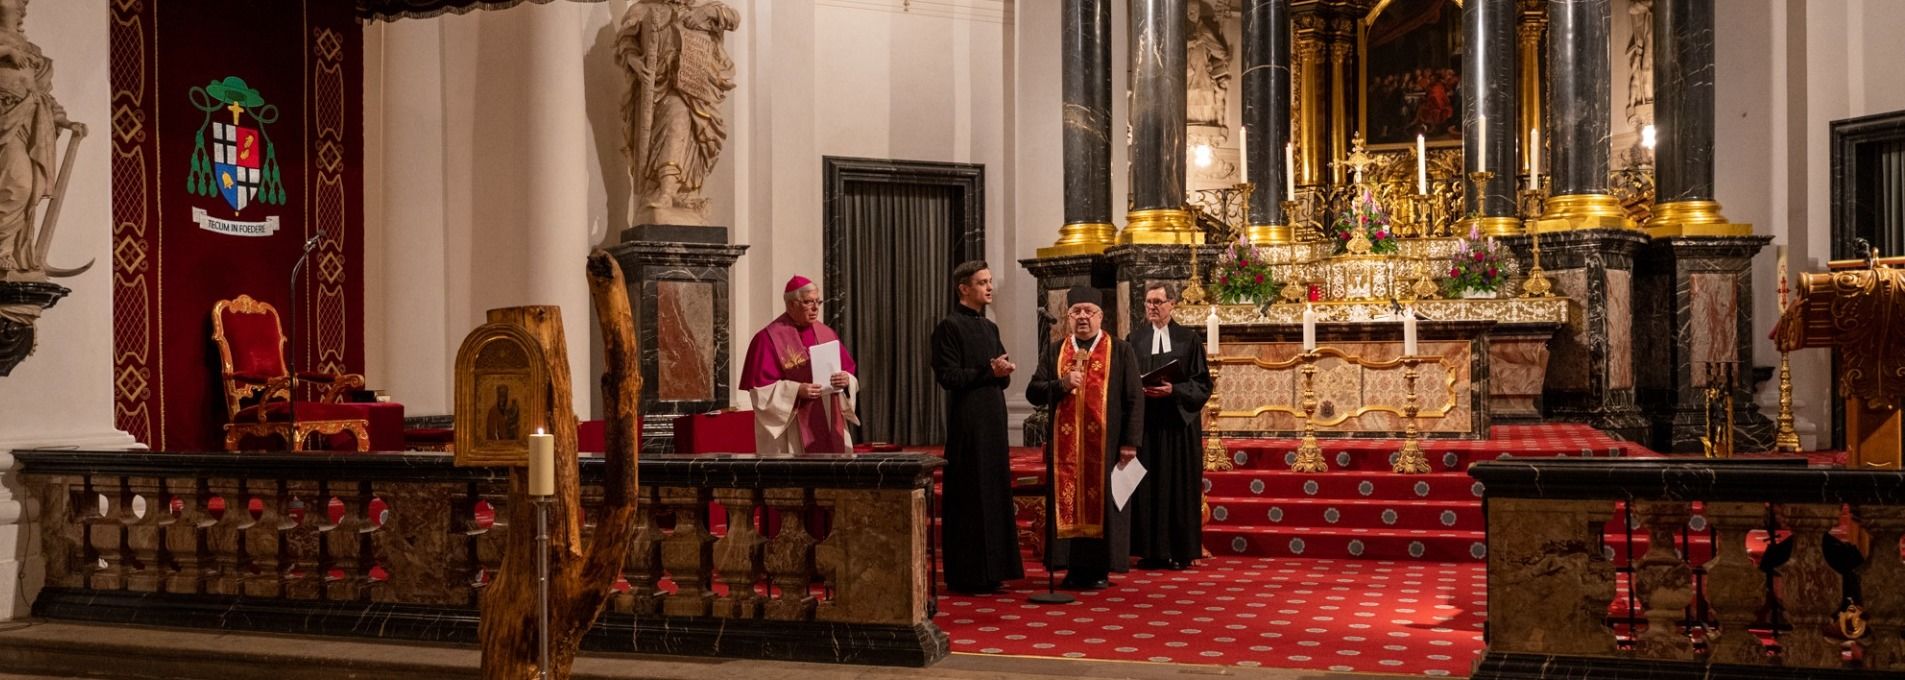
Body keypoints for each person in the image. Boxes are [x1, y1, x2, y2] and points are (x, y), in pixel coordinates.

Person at [1027, 286, 1142, 589]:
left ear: (1100, 316)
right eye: (1076, 311)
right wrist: (1062, 383)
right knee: (1068, 502)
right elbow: (1033, 391)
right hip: (1066, 450)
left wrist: (1130, 442)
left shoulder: (1120, 350)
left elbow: (1134, 399)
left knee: (1103, 504)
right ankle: (1071, 568)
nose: (1082, 317)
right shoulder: (1056, 350)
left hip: (1107, 445)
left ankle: (1100, 569)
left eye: (1088, 311)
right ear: (1068, 317)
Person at [930, 261, 1021, 594]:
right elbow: (949, 377)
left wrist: (1002, 370)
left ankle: (995, 569)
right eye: (982, 282)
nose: (989, 287)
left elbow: (1000, 373)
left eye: (990, 281)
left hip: (993, 420)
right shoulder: (948, 328)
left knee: (994, 492)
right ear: (963, 288)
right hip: (968, 423)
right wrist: (989, 370)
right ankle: (969, 573)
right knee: (970, 495)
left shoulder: (989, 327)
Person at [615, 0, 739, 225]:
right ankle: (665, 191)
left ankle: (674, 193)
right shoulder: (643, 9)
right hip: (661, 89)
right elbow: (626, 43)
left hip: (696, 90)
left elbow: (732, 18)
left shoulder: (703, 10)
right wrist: (635, 62)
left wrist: (706, 12)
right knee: (673, 126)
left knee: (685, 135)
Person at [1125, 282, 1212, 570]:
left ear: (1172, 304)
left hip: (1177, 427)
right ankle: (1150, 551)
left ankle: (1179, 550)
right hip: (1147, 424)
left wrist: (1173, 391)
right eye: (1148, 302)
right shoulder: (1134, 339)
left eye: (1158, 302)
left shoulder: (1188, 339)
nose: (1152, 307)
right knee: (1147, 487)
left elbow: (1202, 384)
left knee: (1176, 486)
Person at [0, 0, 80, 278]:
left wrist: (64, 121)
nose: (18, 7)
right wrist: (6, 51)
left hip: (30, 122)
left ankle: (9, 251)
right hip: (3, 119)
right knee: (16, 185)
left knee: (29, 187)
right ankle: (2, 251)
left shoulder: (32, 52)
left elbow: (43, 95)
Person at [738, 275, 858, 453]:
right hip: (792, 428)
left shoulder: (827, 333)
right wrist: (796, 391)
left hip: (828, 417)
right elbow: (760, 393)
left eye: (818, 301)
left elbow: (848, 372)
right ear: (791, 304)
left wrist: (846, 380)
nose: (815, 308)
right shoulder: (767, 338)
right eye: (808, 302)